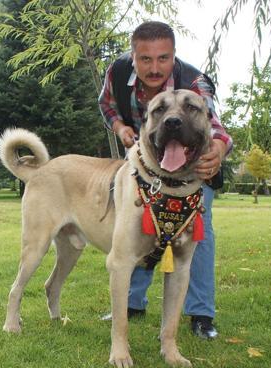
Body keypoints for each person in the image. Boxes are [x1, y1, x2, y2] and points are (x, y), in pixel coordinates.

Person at [97, 21, 232, 339]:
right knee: (139, 226)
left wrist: (219, 149)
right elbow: (106, 105)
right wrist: (120, 128)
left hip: (195, 169)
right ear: (133, 56)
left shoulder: (195, 81)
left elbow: (215, 126)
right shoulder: (116, 73)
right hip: (146, 162)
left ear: (174, 55)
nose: (154, 67)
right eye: (145, 59)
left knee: (197, 236)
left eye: (163, 58)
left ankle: (201, 314)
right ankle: (133, 303)